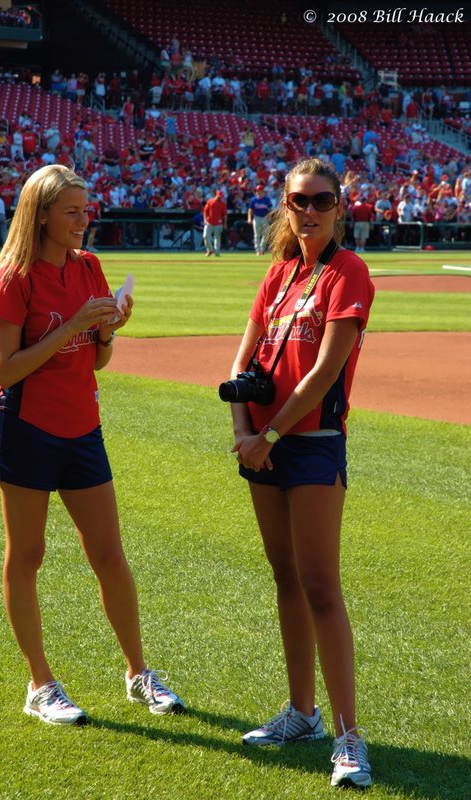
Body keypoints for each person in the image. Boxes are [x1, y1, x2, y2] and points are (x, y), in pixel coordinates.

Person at [0, 165, 185, 726]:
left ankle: (138, 672)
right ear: (41, 214)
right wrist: (72, 326)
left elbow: (98, 359)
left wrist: (107, 329)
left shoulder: (89, 266)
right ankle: (40, 683)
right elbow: (6, 371)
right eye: (72, 210)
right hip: (28, 428)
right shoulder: (13, 277)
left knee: (110, 556)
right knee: (26, 557)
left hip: (82, 427)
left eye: (85, 208)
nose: (83, 219)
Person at [226, 158, 374, 789]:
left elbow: (323, 374)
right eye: (296, 201)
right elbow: (244, 356)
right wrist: (242, 434)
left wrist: (269, 435)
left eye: (319, 200)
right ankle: (302, 714)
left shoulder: (349, 272)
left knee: (320, 584)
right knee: (284, 575)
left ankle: (348, 736)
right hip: (260, 446)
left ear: (339, 206)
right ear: (284, 206)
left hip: (309, 444)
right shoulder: (278, 273)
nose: (307, 211)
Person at [247, 184, 272, 256]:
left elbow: (270, 209)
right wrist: (249, 218)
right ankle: (258, 250)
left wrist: (269, 217)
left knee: (266, 235)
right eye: (257, 191)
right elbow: (250, 210)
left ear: (262, 191)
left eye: (260, 191)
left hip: (265, 217)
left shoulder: (266, 199)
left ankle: (262, 249)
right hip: (257, 217)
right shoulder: (253, 199)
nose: (258, 192)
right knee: (257, 235)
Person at [203, 190, 227, 257]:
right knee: (205, 236)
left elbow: (225, 215)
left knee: (217, 238)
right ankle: (210, 249)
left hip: (218, 223)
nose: (220, 197)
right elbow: (205, 211)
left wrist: (225, 223)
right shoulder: (210, 201)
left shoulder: (223, 204)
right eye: (219, 196)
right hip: (209, 222)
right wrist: (205, 219)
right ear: (216, 195)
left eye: (221, 196)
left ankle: (217, 252)